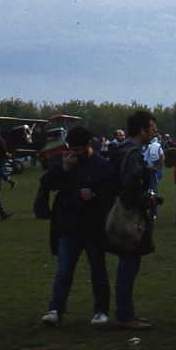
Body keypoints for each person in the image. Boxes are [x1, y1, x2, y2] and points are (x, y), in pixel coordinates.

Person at [40, 125, 111, 327]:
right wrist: (63, 169)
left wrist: (95, 195)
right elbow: (47, 183)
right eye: (71, 149)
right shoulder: (66, 161)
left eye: (77, 150)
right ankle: (55, 310)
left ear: (89, 145)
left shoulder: (102, 165)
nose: (73, 153)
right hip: (69, 226)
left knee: (98, 270)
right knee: (64, 271)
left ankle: (101, 310)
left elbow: (110, 196)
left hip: (92, 227)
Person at [106, 110, 160, 330]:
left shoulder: (121, 150)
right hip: (129, 218)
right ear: (142, 131)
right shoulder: (134, 154)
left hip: (118, 214)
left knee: (125, 266)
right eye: (152, 130)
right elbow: (130, 188)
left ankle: (124, 313)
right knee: (128, 266)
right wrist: (148, 198)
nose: (154, 134)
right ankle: (126, 315)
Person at [142, 130, 165, 218]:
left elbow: (162, 157)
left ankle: (153, 212)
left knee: (153, 192)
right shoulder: (139, 146)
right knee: (143, 190)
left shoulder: (156, 146)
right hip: (143, 171)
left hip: (152, 171)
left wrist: (157, 168)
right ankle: (144, 210)